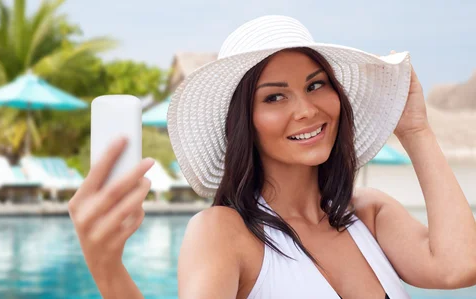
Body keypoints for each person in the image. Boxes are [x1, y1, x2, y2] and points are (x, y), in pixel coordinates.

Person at [67, 15, 476, 298]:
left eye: (316, 86)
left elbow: (459, 267)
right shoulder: (224, 233)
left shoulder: (367, 214)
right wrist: (107, 268)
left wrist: (416, 131)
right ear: (245, 122)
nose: (306, 110)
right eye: (275, 96)